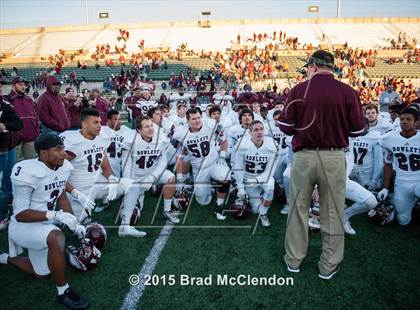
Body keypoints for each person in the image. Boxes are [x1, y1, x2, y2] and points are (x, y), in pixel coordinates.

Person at [278, 50, 365, 280]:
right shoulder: (348, 91)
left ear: (313, 65)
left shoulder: (298, 89)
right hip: (334, 156)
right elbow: (357, 130)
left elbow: (285, 127)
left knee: (298, 209)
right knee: (333, 212)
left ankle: (294, 260)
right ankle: (328, 265)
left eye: (307, 66)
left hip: (304, 157)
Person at [0, 133, 88, 309]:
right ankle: (63, 291)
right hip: (23, 226)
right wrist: (55, 216)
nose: (63, 153)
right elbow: (20, 214)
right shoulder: (26, 171)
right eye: (58, 149)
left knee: (42, 273)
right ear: (43, 153)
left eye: (63, 148)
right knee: (56, 237)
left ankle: (5, 258)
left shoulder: (63, 167)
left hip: (44, 224)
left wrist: (74, 222)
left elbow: (61, 197)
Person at [60, 108, 131, 223]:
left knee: (131, 185)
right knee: (82, 225)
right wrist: (74, 192)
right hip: (79, 189)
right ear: (84, 124)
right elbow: (57, 173)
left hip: (98, 183)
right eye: (95, 122)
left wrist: (111, 178)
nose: (99, 125)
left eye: (99, 122)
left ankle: (126, 217)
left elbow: (104, 162)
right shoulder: (72, 141)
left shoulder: (102, 137)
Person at [119, 116, 180, 237]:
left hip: (151, 173)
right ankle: (129, 209)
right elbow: (126, 166)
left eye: (151, 125)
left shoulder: (160, 138)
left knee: (171, 177)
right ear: (139, 130)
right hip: (135, 177)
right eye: (146, 126)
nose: (150, 128)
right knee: (133, 214)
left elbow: (163, 162)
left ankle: (167, 210)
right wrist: (130, 185)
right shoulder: (131, 141)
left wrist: (152, 177)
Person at [173, 108, 230, 220]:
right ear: (188, 121)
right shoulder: (181, 133)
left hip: (214, 163)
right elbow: (180, 157)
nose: (197, 121)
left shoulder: (211, 125)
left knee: (224, 175)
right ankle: (211, 187)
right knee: (203, 201)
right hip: (199, 170)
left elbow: (224, 141)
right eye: (193, 119)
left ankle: (220, 205)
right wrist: (179, 180)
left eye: (198, 117)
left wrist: (222, 156)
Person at [379, 106, 420, 225]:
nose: (405, 122)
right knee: (403, 220)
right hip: (402, 182)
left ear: (416, 121)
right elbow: (388, 164)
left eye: (408, 119)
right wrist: (385, 187)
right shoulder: (390, 138)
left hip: (418, 179)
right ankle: (413, 205)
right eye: (402, 119)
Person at [233, 120, 277, 226]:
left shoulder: (271, 144)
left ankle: (263, 214)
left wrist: (256, 180)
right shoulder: (242, 144)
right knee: (255, 209)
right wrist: (241, 189)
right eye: (256, 130)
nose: (259, 132)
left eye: (261, 129)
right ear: (250, 132)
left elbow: (270, 170)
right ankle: (254, 195)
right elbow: (238, 168)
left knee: (270, 186)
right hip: (248, 178)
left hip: (263, 177)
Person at [0, 93, 23, 230]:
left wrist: (3, 125)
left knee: (2, 184)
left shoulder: (4, 105)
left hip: (2, 149)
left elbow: (18, 123)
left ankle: (2, 216)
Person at [8, 77, 39, 159]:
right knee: (12, 166)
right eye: (20, 85)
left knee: (30, 163)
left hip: (30, 136)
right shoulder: (7, 99)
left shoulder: (29, 99)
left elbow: (35, 116)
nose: (23, 87)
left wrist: (36, 130)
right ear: (12, 86)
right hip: (14, 139)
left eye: (24, 85)